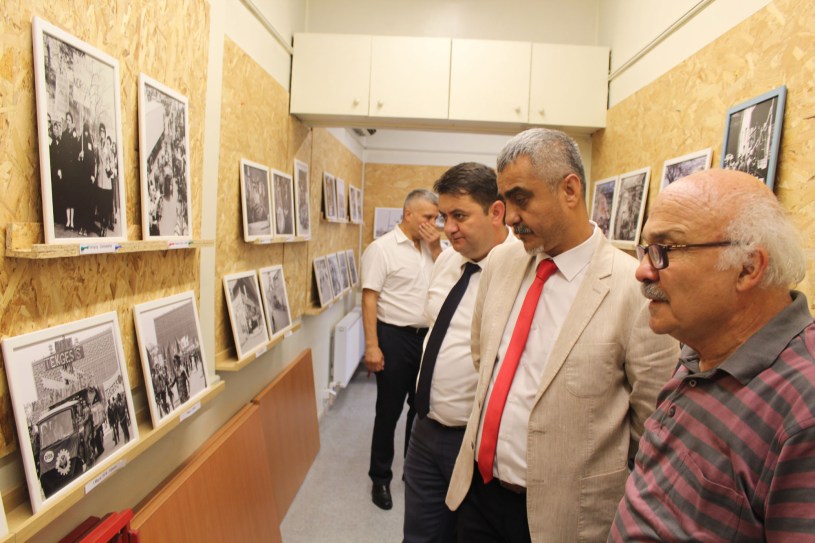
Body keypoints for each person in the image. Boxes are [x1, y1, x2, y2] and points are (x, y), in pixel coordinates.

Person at [445, 128, 680, 542]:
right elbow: (484, 358)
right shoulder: (501, 262)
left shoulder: (633, 289)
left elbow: (653, 421)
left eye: (521, 199)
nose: (510, 217)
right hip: (479, 497)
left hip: (566, 518)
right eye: (505, 201)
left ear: (570, 190)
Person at [608, 169, 815, 542]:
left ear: (747, 268)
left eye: (665, 250)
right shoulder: (700, 347)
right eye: (645, 250)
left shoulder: (803, 408)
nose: (642, 271)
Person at [404, 163, 516, 542]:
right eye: (444, 216)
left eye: (460, 216)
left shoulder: (522, 271)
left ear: (496, 212)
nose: (448, 228)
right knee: (419, 535)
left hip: (474, 441)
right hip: (424, 428)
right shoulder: (448, 260)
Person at [361, 188, 441, 510]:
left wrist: (436, 248)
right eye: (428, 217)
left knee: (420, 409)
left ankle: (413, 468)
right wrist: (372, 346)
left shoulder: (434, 249)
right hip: (394, 337)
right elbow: (369, 298)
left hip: (427, 337)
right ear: (408, 214)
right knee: (388, 411)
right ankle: (380, 478)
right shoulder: (382, 249)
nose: (433, 223)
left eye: (436, 217)